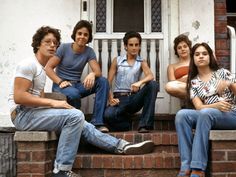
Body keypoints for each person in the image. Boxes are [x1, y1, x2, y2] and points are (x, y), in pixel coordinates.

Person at [8, 26, 155, 177]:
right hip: (22, 115)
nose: (52, 45)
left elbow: (39, 98)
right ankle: (62, 170)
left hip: (34, 113)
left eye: (55, 42)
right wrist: (55, 103)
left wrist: (56, 108)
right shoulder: (28, 64)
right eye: (47, 42)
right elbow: (19, 97)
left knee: (80, 121)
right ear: (38, 44)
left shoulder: (41, 68)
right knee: (75, 116)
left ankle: (122, 146)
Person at [175, 42, 236, 177]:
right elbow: (199, 107)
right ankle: (186, 166)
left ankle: (198, 168)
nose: (201, 57)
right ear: (193, 59)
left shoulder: (223, 73)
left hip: (231, 114)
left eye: (204, 54)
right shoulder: (194, 82)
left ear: (210, 57)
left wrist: (230, 84)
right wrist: (215, 106)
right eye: (197, 54)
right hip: (209, 114)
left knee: (205, 113)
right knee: (181, 115)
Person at [45, 20, 109, 133]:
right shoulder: (63, 48)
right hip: (61, 86)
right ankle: (79, 124)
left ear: (89, 37)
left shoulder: (89, 51)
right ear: (75, 34)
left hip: (76, 85)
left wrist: (92, 73)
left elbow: (98, 71)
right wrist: (60, 82)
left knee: (102, 81)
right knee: (74, 94)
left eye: (85, 34)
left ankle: (97, 123)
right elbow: (48, 68)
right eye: (79, 33)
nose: (82, 37)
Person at [104, 31, 159, 133]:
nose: (134, 47)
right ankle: (125, 124)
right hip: (119, 99)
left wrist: (140, 82)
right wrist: (110, 98)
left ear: (139, 46)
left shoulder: (142, 61)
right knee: (108, 115)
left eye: (136, 45)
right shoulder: (117, 60)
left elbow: (151, 76)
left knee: (153, 85)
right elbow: (108, 81)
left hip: (134, 98)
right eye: (131, 45)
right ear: (125, 46)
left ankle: (144, 125)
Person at [165, 34, 192, 100]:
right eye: (179, 48)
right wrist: (184, 79)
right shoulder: (171, 67)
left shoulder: (196, 61)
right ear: (176, 51)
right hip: (184, 90)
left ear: (189, 48)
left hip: (199, 86)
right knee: (169, 86)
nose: (182, 49)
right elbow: (172, 85)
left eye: (185, 46)